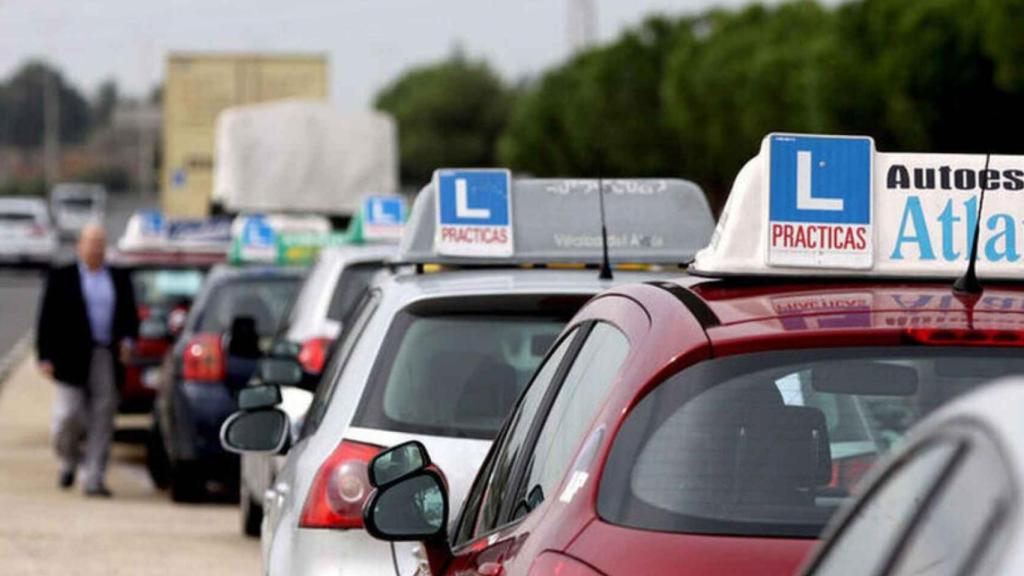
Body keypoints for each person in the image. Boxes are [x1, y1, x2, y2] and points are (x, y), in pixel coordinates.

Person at [36, 223, 138, 497]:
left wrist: (128, 341)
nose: (96, 248)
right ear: (79, 245)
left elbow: (129, 316)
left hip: (106, 354)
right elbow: (46, 319)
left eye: (100, 243)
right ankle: (69, 459)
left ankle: (94, 477)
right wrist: (45, 356)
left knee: (102, 417)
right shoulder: (62, 277)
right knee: (68, 416)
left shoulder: (118, 277)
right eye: (91, 242)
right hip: (69, 358)